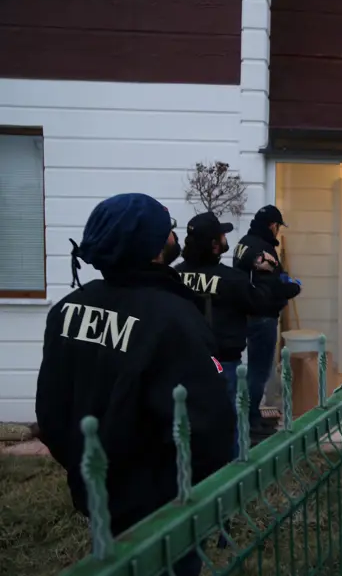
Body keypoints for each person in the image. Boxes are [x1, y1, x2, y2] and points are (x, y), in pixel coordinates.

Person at [35, 193, 234, 576]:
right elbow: (209, 428)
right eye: (168, 230)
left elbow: (50, 412)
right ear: (154, 248)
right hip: (164, 511)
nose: (174, 236)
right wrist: (184, 493)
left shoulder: (67, 310)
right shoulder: (174, 318)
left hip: (98, 496)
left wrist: (87, 472)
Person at [176, 212, 301, 446]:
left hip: (186, 363)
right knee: (227, 428)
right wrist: (270, 275)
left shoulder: (176, 274)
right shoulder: (230, 280)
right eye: (222, 235)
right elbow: (260, 302)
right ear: (215, 245)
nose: (226, 238)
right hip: (220, 362)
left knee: (191, 425)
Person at [232, 205, 291, 438]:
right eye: (278, 227)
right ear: (272, 225)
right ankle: (250, 421)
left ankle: (251, 415)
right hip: (262, 317)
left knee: (253, 370)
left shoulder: (244, 242)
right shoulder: (263, 249)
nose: (278, 232)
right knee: (259, 371)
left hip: (247, 313)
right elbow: (271, 287)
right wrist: (290, 289)